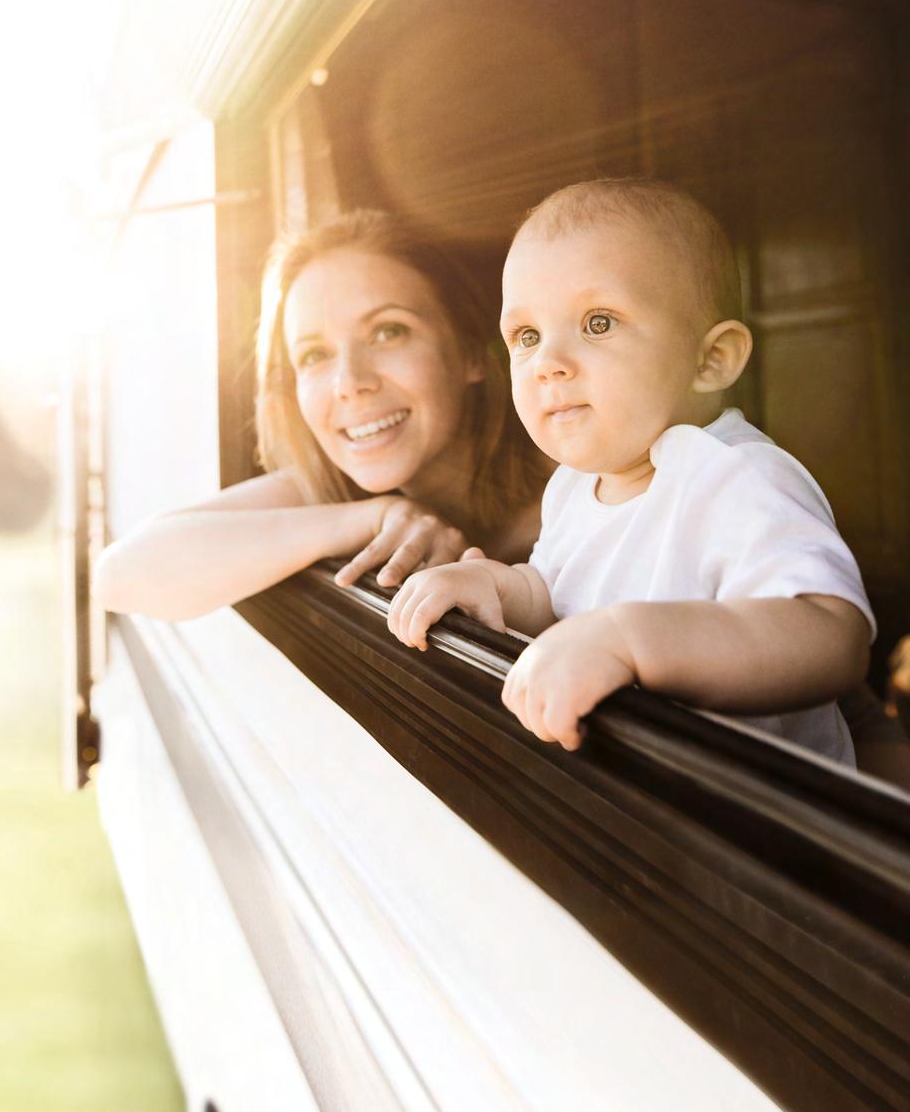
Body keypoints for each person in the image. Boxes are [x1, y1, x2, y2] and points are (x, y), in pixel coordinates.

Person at [387, 178, 873, 766]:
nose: (547, 364)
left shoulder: (735, 475)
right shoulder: (573, 485)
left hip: (763, 829)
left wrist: (630, 642)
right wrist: (498, 588)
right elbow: (557, 599)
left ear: (710, 359)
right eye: (527, 335)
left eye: (598, 322)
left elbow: (828, 635)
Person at [94, 209, 550, 621]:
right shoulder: (331, 488)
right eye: (314, 355)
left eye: (388, 332)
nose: (349, 382)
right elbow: (120, 575)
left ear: (470, 351)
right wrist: (375, 517)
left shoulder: (583, 489)